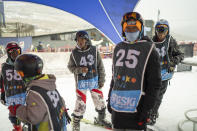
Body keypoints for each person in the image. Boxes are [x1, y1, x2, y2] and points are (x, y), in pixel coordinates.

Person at [107, 12, 161, 131]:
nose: (131, 31)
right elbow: (114, 77)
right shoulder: (118, 48)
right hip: (118, 110)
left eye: (135, 28)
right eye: (128, 28)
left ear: (141, 29)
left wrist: (146, 108)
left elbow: (155, 84)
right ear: (123, 30)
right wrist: (109, 98)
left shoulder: (149, 49)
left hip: (137, 109)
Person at [12, 54, 71, 131]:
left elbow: (33, 117)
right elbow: (61, 102)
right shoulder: (48, 85)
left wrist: (17, 109)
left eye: (20, 73)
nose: (19, 76)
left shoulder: (35, 92)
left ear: (26, 73)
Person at [67, 30, 112, 131]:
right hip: (81, 82)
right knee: (80, 103)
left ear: (87, 40)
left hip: (94, 80)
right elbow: (70, 67)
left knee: (99, 100)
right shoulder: (74, 53)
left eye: (82, 39)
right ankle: (76, 122)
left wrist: (102, 79)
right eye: (78, 40)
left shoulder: (94, 50)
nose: (80, 42)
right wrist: (79, 70)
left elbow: (100, 66)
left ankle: (101, 118)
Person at [148, 19, 184, 125]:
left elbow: (180, 55)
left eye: (164, 30)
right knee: (151, 94)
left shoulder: (170, 41)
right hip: (153, 74)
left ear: (168, 31)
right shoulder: (151, 41)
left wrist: (173, 62)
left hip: (164, 74)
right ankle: (150, 111)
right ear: (155, 30)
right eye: (159, 30)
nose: (161, 33)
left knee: (158, 96)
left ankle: (153, 114)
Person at [0, 41, 26, 131]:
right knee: (13, 117)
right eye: (12, 52)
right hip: (12, 96)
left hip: (25, 94)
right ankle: (19, 129)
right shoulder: (5, 67)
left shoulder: (25, 63)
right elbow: (2, 81)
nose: (15, 54)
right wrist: (2, 94)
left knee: (30, 115)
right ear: (8, 53)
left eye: (17, 51)